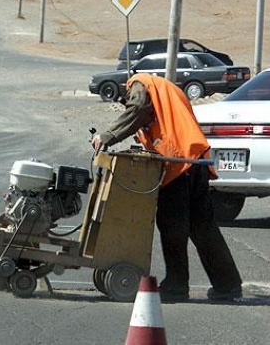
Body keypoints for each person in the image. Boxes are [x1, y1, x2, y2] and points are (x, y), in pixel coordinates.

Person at [91, 73, 243, 302]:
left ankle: (176, 286)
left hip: (177, 163)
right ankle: (228, 285)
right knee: (203, 227)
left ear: (127, 86)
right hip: (195, 159)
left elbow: (138, 110)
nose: (128, 100)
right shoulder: (165, 88)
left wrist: (108, 136)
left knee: (172, 225)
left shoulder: (140, 83)